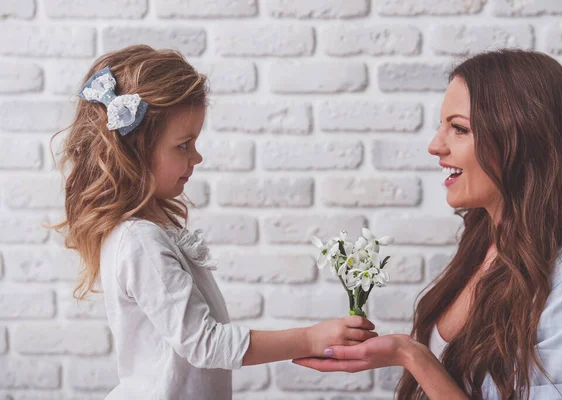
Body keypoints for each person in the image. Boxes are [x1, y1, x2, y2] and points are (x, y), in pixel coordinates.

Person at [51, 45, 377, 400]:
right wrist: (311, 338)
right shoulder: (139, 240)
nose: (197, 155)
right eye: (184, 144)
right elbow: (205, 343)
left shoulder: (151, 231)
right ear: (135, 152)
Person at [292, 49, 562, 400]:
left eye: (458, 128)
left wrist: (410, 355)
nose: (434, 145)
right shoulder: (483, 240)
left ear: (520, 139)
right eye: (442, 126)